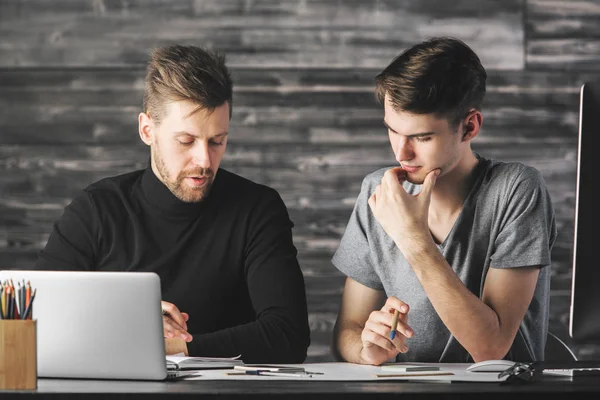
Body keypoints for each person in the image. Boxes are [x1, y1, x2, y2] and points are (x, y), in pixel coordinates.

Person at [34, 44, 310, 363]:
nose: (204, 161)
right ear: (147, 129)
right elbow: (33, 316)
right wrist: (130, 320)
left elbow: (289, 335)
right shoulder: (96, 209)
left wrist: (170, 348)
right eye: (186, 141)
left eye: (217, 141)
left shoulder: (257, 209)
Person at [330, 36, 557, 365]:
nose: (401, 152)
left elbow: (491, 348)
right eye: (392, 130)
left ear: (469, 127)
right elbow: (346, 332)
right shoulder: (378, 191)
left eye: (422, 137)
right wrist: (366, 349)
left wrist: (413, 239)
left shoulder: (517, 189)